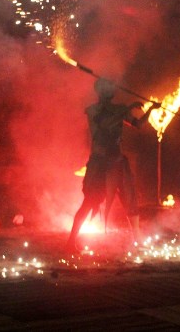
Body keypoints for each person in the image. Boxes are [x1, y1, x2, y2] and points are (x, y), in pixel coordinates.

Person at [65, 77, 159, 253]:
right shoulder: (93, 111)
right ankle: (71, 241)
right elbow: (105, 123)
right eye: (110, 89)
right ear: (103, 92)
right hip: (100, 164)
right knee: (89, 202)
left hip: (116, 162)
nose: (112, 91)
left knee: (130, 200)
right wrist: (129, 108)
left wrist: (151, 110)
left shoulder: (119, 110)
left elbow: (137, 124)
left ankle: (138, 240)